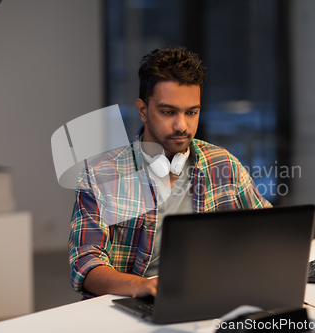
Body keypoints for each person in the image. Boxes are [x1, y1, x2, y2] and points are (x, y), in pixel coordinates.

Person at [69, 46, 271, 299]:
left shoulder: (224, 164)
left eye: (191, 112)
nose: (182, 125)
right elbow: (85, 265)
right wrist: (140, 286)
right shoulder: (100, 176)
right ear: (143, 110)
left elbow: (269, 230)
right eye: (168, 112)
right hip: (136, 302)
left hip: (213, 295)